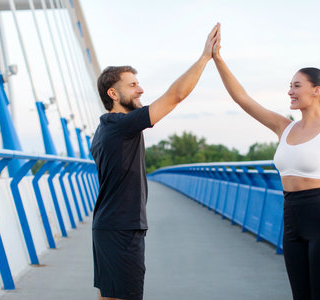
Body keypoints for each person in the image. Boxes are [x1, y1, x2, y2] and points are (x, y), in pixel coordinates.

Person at [212, 24, 320, 300]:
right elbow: (242, 98)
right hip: (291, 221)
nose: (290, 92)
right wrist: (218, 59)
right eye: (289, 86)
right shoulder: (285, 127)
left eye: (296, 86)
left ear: (317, 91)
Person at [90, 24, 220, 300]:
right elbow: (175, 96)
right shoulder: (120, 125)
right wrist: (204, 57)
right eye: (132, 85)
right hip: (122, 228)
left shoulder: (104, 129)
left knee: (110, 296)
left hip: (111, 226)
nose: (140, 89)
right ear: (113, 94)